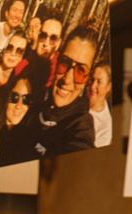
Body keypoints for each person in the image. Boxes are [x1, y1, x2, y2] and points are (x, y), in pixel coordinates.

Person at [29, 24, 99, 159]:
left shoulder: (80, 125)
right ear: (57, 60)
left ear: (88, 78)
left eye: (81, 71)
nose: (67, 79)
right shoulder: (37, 100)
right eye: (65, 63)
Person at [0, 79, 42, 168]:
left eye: (26, 99)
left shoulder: (30, 136)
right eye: (15, 97)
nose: (19, 105)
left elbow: (43, 150)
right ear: (6, 99)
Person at [89, 63, 114, 146]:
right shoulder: (78, 97)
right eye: (92, 80)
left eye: (99, 82)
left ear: (108, 87)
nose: (93, 86)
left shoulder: (105, 129)